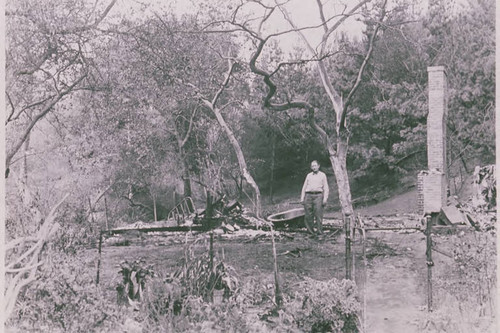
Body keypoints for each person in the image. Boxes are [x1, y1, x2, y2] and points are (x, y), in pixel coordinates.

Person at [300, 160, 329, 236]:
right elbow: (304, 187)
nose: (314, 167)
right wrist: (302, 198)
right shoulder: (308, 175)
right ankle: (310, 233)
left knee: (318, 214)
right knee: (308, 215)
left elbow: (326, 188)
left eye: (315, 165)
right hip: (308, 196)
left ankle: (319, 233)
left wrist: (325, 198)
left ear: (318, 166)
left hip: (318, 196)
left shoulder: (323, 175)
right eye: (312, 166)